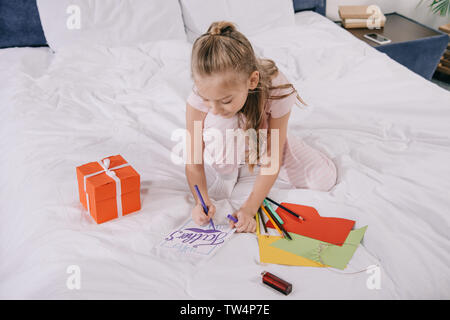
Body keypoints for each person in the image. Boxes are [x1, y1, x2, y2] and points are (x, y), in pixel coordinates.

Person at [185, 21, 337, 233]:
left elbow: (272, 159)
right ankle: (228, 173)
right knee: (223, 121)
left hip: (265, 132)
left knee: (323, 180)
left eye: (226, 100)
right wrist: (200, 200)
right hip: (228, 134)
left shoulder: (276, 88)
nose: (215, 108)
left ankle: (258, 146)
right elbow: (193, 162)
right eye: (207, 100)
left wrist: (249, 208)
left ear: (252, 80)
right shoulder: (203, 94)